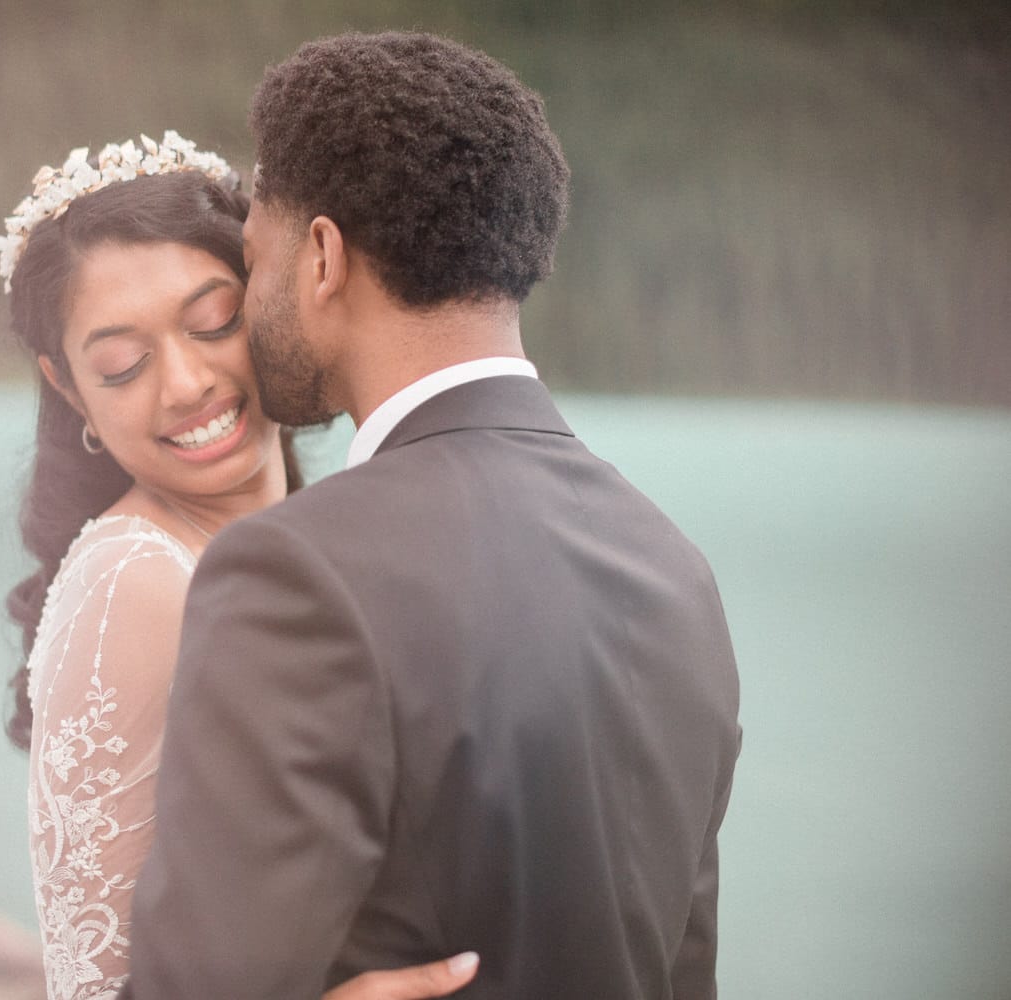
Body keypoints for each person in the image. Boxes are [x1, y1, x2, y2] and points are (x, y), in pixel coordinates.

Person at [120, 33, 743, 1000]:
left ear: (322, 255)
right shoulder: (677, 572)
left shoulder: (295, 576)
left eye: (256, 260)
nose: (249, 311)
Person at [0, 133, 479, 1000]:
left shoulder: (335, 549)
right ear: (71, 392)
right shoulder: (131, 581)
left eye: (213, 321)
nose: (184, 384)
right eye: (122, 364)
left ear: (273, 301)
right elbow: (95, 986)